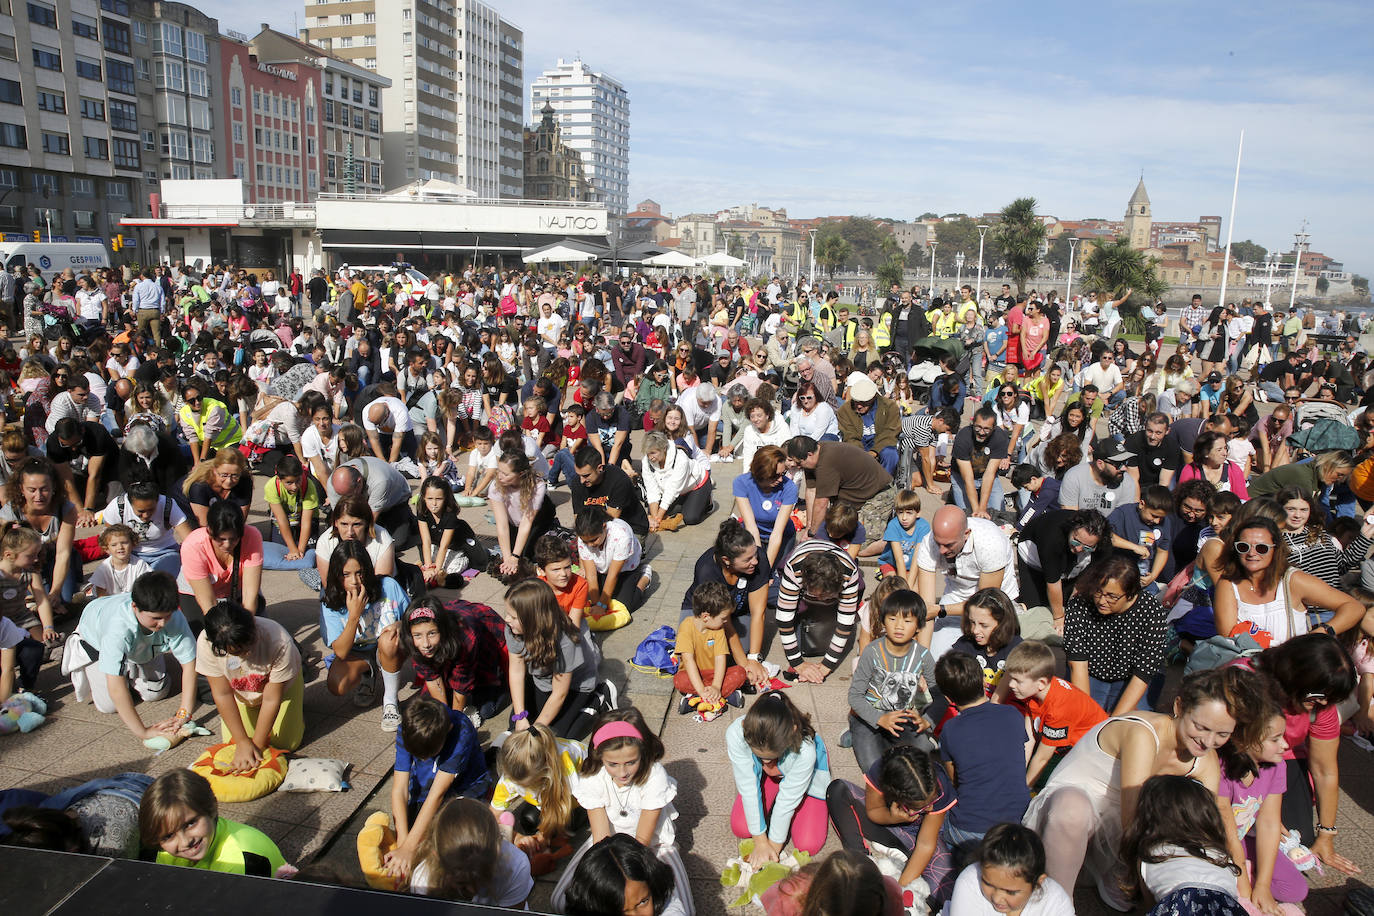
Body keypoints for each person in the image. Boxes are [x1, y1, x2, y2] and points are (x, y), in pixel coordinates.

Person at [1021, 666, 1266, 912]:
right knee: (1072, 809)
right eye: (1200, 727)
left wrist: (1239, 889)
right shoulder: (1143, 734)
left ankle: (1112, 874)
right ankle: (1058, 903)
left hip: (1119, 827)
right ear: (1179, 707)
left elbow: (1209, 825)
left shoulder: (1205, 759)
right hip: (1077, 811)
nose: (1208, 741)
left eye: (1222, 734)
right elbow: (1132, 816)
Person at [553, 708, 691, 913]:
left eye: (630, 762)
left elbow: (642, 841)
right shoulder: (592, 777)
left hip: (652, 846)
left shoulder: (655, 775)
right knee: (560, 902)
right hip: (607, 848)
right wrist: (607, 875)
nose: (623, 772)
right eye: (613, 764)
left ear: (642, 752)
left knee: (682, 908)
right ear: (599, 756)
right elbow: (601, 837)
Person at [65, 571, 198, 742]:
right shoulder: (117, 628)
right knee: (109, 705)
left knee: (156, 693)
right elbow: (115, 686)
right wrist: (143, 732)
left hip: (141, 644)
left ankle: (131, 665)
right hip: (95, 637)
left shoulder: (171, 615)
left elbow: (190, 664)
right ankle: (120, 666)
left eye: (167, 616)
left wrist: (184, 713)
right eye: (156, 618)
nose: (163, 623)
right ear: (135, 607)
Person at [1216, 685, 1309, 913]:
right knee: (1230, 894)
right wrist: (1246, 892)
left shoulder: (1276, 767)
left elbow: (1269, 823)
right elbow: (1228, 836)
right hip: (1213, 844)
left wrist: (1263, 886)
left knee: (1294, 890)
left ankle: (1246, 870)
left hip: (1242, 840)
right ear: (1244, 740)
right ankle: (1241, 874)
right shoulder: (1219, 768)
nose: (1285, 745)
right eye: (1275, 739)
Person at [934, 652, 1031, 864]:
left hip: (970, 827)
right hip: (1017, 822)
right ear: (983, 681)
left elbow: (955, 780)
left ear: (949, 698)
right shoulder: (1012, 715)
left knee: (934, 814)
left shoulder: (950, 730)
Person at [825, 744, 956, 893]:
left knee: (947, 889)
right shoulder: (881, 770)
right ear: (895, 795)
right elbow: (873, 811)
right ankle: (861, 860)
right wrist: (892, 818)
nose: (931, 808)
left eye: (932, 801)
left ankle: (901, 852)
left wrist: (899, 890)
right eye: (921, 807)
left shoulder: (939, 785)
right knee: (838, 790)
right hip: (887, 823)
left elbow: (926, 844)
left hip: (919, 838)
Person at [385, 695, 489, 881]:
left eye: (429, 755)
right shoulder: (408, 726)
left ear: (447, 730)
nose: (423, 760)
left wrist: (410, 847)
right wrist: (403, 843)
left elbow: (437, 794)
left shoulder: (460, 731)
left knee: (453, 838)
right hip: (426, 789)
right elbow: (399, 789)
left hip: (463, 789)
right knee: (412, 832)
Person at [1213, 516, 1365, 643]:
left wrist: (1321, 632)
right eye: (1243, 547)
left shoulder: (1292, 580)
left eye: (1261, 548)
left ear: (1276, 549)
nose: (1252, 553)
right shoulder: (1228, 584)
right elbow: (1229, 639)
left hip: (1292, 669)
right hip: (1247, 671)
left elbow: (1354, 607)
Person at [197, 600, 305, 770]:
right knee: (232, 744)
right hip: (242, 694)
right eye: (237, 651)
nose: (247, 653)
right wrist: (241, 742)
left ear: (253, 624)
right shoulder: (206, 643)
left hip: (281, 691)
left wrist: (257, 746)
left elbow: (271, 699)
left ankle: (298, 709)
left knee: (284, 744)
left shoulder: (278, 640)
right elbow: (222, 694)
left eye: (250, 643)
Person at [728, 691, 831, 866]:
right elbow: (748, 788)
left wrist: (773, 849)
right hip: (772, 775)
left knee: (808, 844)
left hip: (806, 778)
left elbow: (787, 801)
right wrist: (760, 842)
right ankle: (770, 781)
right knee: (741, 827)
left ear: (792, 732)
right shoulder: (736, 732)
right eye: (760, 756)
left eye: (771, 756)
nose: (766, 761)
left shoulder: (805, 751)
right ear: (745, 727)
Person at [847, 588, 942, 771]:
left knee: (918, 757)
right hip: (867, 719)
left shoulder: (922, 656)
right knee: (873, 768)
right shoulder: (871, 652)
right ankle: (853, 734)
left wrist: (927, 720)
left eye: (907, 621)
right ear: (883, 620)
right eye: (892, 619)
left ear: (919, 626)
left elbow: (940, 695)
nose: (899, 626)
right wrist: (879, 718)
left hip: (902, 719)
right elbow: (855, 696)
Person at [320, 541, 409, 729]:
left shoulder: (388, 585)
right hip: (357, 653)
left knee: (388, 640)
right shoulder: (330, 602)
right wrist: (353, 616)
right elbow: (341, 652)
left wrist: (401, 624)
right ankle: (369, 675)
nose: (354, 580)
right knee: (337, 684)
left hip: (387, 647)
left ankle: (391, 700)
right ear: (337, 575)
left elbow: (413, 616)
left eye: (359, 572)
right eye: (346, 574)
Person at [503, 578, 604, 740]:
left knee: (555, 736)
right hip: (541, 677)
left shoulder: (565, 640)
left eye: (513, 617)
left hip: (574, 686)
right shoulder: (512, 628)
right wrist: (520, 716)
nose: (507, 620)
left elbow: (559, 693)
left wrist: (534, 731)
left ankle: (597, 700)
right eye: (508, 614)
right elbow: (516, 671)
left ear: (534, 619)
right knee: (514, 725)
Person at [139, 769, 287, 877]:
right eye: (169, 836)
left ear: (211, 807)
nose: (185, 842)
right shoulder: (160, 853)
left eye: (190, 824)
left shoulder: (244, 859)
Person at [1003, 640, 1107, 789]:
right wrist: (1017, 775)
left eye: (1017, 681)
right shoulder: (1033, 691)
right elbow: (1028, 739)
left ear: (1041, 683)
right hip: (1061, 749)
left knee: (1045, 783)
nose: (1011, 685)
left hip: (1086, 757)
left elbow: (1042, 758)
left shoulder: (1059, 708)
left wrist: (1023, 790)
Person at [915, 506, 1020, 652]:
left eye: (948, 545)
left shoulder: (990, 543)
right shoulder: (929, 543)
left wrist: (940, 610)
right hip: (956, 597)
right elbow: (927, 609)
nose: (941, 551)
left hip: (994, 603)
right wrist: (923, 659)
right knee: (937, 658)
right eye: (938, 543)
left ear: (966, 534)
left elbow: (985, 604)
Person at [680, 520, 771, 687]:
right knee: (704, 654)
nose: (755, 561)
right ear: (726, 560)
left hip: (739, 611)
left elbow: (759, 613)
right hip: (708, 615)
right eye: (747, 559)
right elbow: (724, 622)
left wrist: (753, 658)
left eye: (755, 554)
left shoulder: (760, 560)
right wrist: (745, 667)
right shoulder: (707, 569)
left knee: (737, 654)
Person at [406, 798, 534, 906]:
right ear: (437, 857)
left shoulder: (516, 866)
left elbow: (513, 910)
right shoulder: (423, 882)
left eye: (483, 877)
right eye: (462, 883)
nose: (473, 890)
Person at [490, 723, 586, 858]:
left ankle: (581, 815)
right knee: (530, 820)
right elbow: (493, 814)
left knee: (562, 828)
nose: (520, 788)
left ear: (544, 772)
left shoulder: (564, 766)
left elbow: (561, 806)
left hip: (575, 796)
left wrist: (544, 837)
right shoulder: (510, 777)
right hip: (550, 793)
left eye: (528, 785)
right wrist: (516, 837)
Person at [775, 537, 862, 684]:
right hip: (801, 566)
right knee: (801, 642)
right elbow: (784, 619)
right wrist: (798, 664)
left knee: (825, 636)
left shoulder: (850, 573)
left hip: (839, 581)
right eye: (817, 595)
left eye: (826, 596)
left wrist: (827, 665)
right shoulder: (794, 569)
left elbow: (845, 624)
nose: (821, 599)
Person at [785, 436, 895, 548]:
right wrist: (809, 528)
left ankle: (895, 543)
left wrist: (812, 536)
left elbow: (821, 503)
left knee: (858, 545)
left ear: (809, 454)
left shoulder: (827, 461)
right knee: (835, 536)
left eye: (799, 463)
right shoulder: (812, 459)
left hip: (878, 494)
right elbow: (811, 491)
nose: (797, 466)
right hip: (852, 499)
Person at [946, 823, 1074, 916]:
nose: (997, 898)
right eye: (988, 884)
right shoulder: (970, 882)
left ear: (1038, 883)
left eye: (1010, 892)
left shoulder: (1055, 900)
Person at [0, 457, 78, 607]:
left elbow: (63, 554)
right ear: (21, 489)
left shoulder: (66, 509)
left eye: (44, 489)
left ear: (54, 486)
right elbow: (11, 559)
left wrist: (55, 592)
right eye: (32, 490)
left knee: (62, 600)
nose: (39, 496)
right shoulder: (9, 514)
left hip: (55, 559)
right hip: (23, 564)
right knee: (33, 603)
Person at [560, 834, 691, 916]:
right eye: (621, 911)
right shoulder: (586, 904)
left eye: (643, 902)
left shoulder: (668, 906)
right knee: (558, 901)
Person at [674, 581, 749, 718]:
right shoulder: (686, 626)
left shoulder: (718, 629)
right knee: (679, 680)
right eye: (723, 618)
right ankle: (723, 696)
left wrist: (715, 686)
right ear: (706, 617)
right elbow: (688, 660)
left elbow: (720, 659)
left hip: (715, 674)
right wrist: (702, 690)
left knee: (740, 673)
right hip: (694, 674)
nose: (726, 621)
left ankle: (695, 699)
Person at [178, 501, 263, 617]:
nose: (227, 545)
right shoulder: (193, 545)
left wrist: (247, 623)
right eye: (221, 539)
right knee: (203, 629)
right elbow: (208, 602)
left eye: (234, 539)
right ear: (209, 531)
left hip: (236, 590)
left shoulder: (252, 535)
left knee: (254, 624)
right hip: (197, 592)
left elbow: (250, 594)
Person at [98, 481, 191, 577]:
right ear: (130, 504)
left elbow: (188, 538)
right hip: (129, 554)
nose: (146, 515)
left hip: (165, 552)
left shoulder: (168, 504)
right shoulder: (117, 506)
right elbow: (110, 539)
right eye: (141, 511)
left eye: (151, 509)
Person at [946, 587, 1023, 697]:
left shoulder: (1017, 648)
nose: (975, 630)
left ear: (1003, 623)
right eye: (972, 622)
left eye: (984, 625)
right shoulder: (965, 645)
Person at [577, 506, 652, 616]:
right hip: (602, 568)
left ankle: (644, 577)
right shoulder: (584, 537)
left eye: (594, 540)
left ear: (604, 527)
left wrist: (601, 605)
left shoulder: (622, 535)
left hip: (625, 568)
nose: (590, 545)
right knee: (587, 597)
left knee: (625, 606)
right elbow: (591, 575)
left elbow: (613, 575)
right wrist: (595, 604)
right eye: (585, 542)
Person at [733, 445, 798, 569]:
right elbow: (751, 527)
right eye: (775, 475)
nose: (780, 479)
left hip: (781, 536)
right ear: (762, 473)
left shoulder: (789, 488)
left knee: (773, 572)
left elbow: (777, 533)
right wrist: (759, 559)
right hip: (753, 534)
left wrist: (766, 568)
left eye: (783, 473)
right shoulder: (741, 483)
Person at [569, 445, 651, 538]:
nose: (581, 481)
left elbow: (610, 521)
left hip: (630, 527)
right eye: (579, 475)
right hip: (597, 527)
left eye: (586, 475)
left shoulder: (618, 480)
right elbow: (579, 518)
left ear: (599, 468)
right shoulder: (577, 482)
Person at [640, 431, 712, 532]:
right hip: (675, 490)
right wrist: (654, 517)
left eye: (653, 453)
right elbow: (651, 490)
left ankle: (706, 499)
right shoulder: (646, 461)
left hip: (696, 486)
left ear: (664, 448)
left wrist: (657, 519)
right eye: (647, 453)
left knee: (690, 518)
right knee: (651, 512)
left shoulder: (681, 459)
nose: (650, 457)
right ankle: (683, 504)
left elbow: (672, 491)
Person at [949, 406, 1009, 519]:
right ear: (972, 423)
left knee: (996, 513)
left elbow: (989, 475)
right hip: (962, 477)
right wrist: (977, 510)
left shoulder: (1000, 437)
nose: (981, 433)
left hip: (986, 474)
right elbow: (968, 478)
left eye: (986, 429)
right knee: (967, 515)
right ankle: (954, 496)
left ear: (994, 427)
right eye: (978, 427)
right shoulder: (963, 438)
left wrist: (982, 508)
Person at [837, 375, 900, 474]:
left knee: (890, 454)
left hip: (881, 441)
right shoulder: (844, 411)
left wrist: (875, 451)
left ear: (873, 398)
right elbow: (849, 436)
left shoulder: (889, 407)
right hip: (857, 444)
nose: (859, 406)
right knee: (849, 455)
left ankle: (884, 482)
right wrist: (863, 454)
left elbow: (890, 432)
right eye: (856, 401)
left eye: (863, 402)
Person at [1058, 439, 1139, 516]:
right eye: (1118, 464)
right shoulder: (1074, 477)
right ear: (1100, 464)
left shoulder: (1127, 482)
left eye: (1126, 462)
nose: (1124, 468)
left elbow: (1122, 519)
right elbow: (1069, 517)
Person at [1178, 430, 1250, 499]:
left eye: (1225, 448)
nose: (1225, 453)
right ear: (1205, 453)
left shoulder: (1233, 469)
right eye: (1219, 450)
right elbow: (1182, 497)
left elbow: (1242, 498)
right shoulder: (1191, 470)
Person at [1124, 411, 1182, 491]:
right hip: (1135, 482)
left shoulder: (1172, 446)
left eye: (1158, 433)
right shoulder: (1133, 442)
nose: (1153, 437)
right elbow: (1133, 480)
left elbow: (1164, 482)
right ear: (1145, 427)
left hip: (1156, 484)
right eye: (1150, 431)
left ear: (1167, 431)